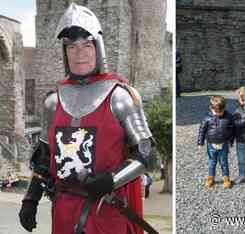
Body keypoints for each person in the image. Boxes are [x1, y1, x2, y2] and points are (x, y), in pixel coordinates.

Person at [19, 3, 156, 234]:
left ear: (98, 47)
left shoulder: (120, 97)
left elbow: (146, 153)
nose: (79, 52)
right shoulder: (53, 101)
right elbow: (44, 156)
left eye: (86, 44)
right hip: (63, 213)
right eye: (71, 46)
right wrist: (31, 198)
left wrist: (110, 180)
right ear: (64, 52)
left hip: (106, 213)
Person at [197, 96, 234, 189]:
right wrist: (200, 143)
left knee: (224, 162)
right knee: (212, 162)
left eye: (220, 112)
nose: (218, 114)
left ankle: (226, 178)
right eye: (216, 112)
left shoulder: (228, 117)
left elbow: (232, 129)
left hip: (224, 144)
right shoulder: (207, 118)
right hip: (211, 145)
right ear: (211, 108)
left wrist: (231, 140)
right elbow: (202, 130)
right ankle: (210, 178)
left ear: (224, 108)